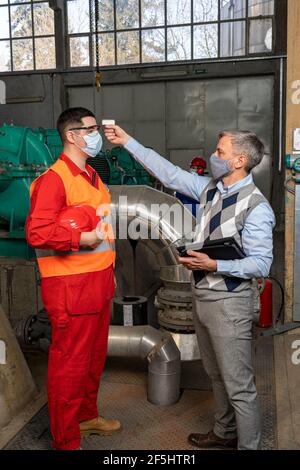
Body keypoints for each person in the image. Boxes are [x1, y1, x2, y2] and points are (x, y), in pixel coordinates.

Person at [104, 125, 275, 451]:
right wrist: (128, 142)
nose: (215, 155)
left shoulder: (256, 207)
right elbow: (168, 174)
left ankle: (249, 445)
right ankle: (224, 432)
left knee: (239, 385)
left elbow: (261, 264)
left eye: (221, 152)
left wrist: (215, 265)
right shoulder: (211, 189)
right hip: (204, 298)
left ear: (239, 160)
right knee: (215, 373)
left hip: (230, 302)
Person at [26, 107, 121, 450]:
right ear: (73, 135)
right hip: (70, 290)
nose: (98, 135)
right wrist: (81, 239)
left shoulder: (91, 175)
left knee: (93, 360)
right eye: (92, 129)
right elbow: (37, 232)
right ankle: (66, 440)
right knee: (70, 365)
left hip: (97, 285)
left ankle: (86, 416)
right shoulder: (53, 180)